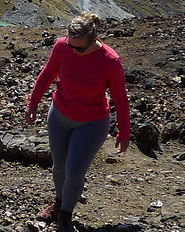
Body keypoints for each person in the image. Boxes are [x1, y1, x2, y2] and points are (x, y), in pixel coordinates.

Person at [25, 13, 130, 232]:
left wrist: (124, 132)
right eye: (71, 45)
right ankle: (59, 203)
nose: (74, 51)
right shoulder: (62, 47)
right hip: (59, 115)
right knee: (59, 166)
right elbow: (47, 74)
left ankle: (65, 215)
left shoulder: (110, 60)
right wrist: (32, 103)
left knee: (74, 172)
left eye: (79, 48)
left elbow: (120, 98)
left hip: (92, 123)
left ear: (94, 40)